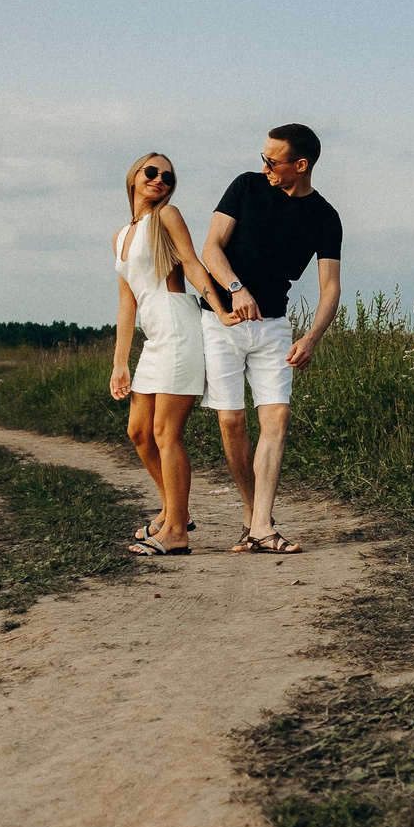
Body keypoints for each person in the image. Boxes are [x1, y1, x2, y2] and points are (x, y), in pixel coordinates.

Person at [198, 122, 342, 554]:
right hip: (221, 321)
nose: (264, 167)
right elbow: (211, 248)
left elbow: (330, 287)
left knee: (276, 420)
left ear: (301, 165)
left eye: (272, 161)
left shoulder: (325, 216)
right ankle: (253, 517)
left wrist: (313, 338)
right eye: (263, 158)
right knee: (232, 422)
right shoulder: (245, 186)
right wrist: (237, 288)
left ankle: (261, 524)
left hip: (275, 327)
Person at [111, 153, 230, 556]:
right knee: (139, 432)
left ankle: (176, 531)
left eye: (168, 176)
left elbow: (193, 264)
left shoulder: (168, 216)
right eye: (151, 172)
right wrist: (119, 362)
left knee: (165, 433)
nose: (159, 179)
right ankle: (172, 509)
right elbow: (128, 303)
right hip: (153, 337)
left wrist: (221, 304)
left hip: (179, 328)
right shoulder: (121, 236)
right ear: (134, 176)